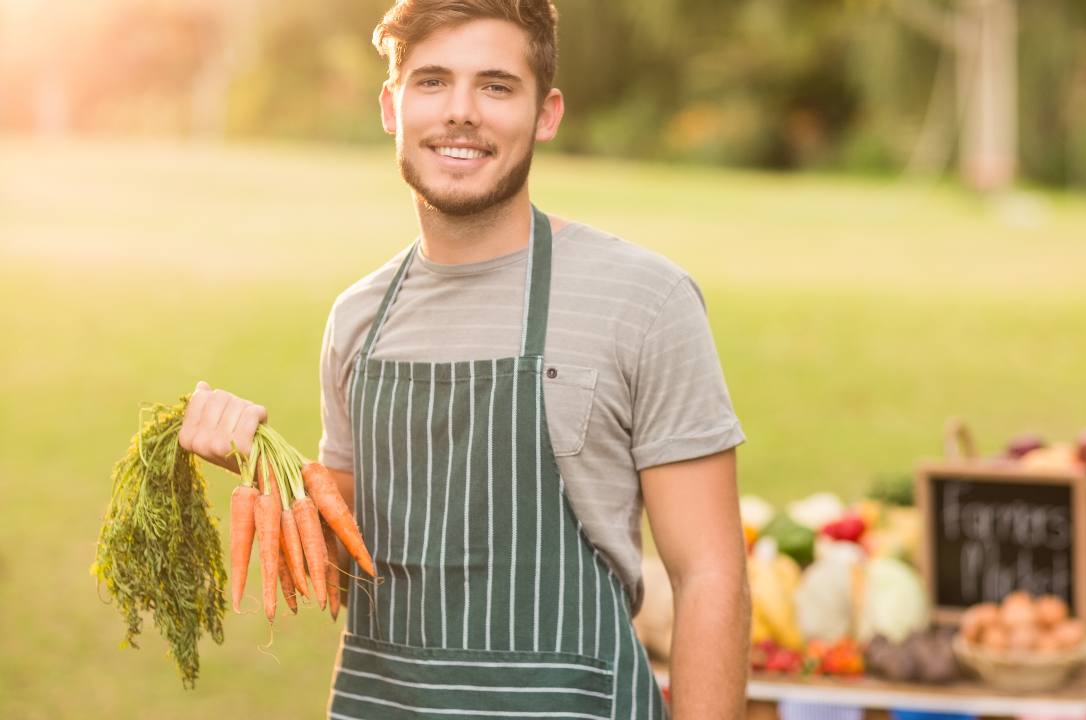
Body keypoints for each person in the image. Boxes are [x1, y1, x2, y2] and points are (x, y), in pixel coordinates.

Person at [177, 1, 750, 717]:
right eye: (432, 82)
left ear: (546, 113)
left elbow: (710, 576)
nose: (461, 112)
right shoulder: (360, 320)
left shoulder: (644, 300)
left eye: (497, 86)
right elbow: (348, 561)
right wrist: (261, 464)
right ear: (392, 106)